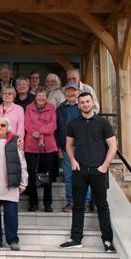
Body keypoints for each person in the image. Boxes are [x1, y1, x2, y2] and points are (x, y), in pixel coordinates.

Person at [59, 92, 117, 253]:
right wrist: (73, 160)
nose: (85, 104)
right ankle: (76, 238)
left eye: (87, 101)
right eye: (82, 102)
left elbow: (113, 146)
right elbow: (69, 145)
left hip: (99, 170)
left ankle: (107, 241)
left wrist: (105, 166)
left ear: (92, 103)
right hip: (80, 170)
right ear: (78, 105)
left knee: (102, 206)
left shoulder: (103, 123)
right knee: (78, 205)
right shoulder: (73, 123)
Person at [0, 116, 28, 251]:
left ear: (7, 127)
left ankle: (13, 240)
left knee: (11, 215)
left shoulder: (15, 141)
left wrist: (23, 182)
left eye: (3, 125)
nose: (0, 127)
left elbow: (22, 162)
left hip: (9, 183)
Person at [57, 83, 92, 213]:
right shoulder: (60, 109)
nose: (71, 94)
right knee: (69, 177)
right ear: (65, 93)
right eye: (68, 92)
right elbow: (58, 129)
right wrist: (59, 147)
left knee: (85, 176)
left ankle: (86, 203)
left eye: (73, 92)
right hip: (67, 148)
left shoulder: (83, 107)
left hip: (83, 148)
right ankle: (71, 202)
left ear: (78, 93)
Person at [24, 87, 57, 212]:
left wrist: (41, 131)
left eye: (43, 96)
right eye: (39, 96)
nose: (41, 98)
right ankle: (33, 203)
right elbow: (27, 124)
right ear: (35, 97)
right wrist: (35, 132)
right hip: (31, 146)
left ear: (47, 97)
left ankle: (47, 204)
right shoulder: (28, 108)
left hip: (47, 146)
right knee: (32, 176)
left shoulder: (52, 108)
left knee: (47, 176)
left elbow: (53, 125)